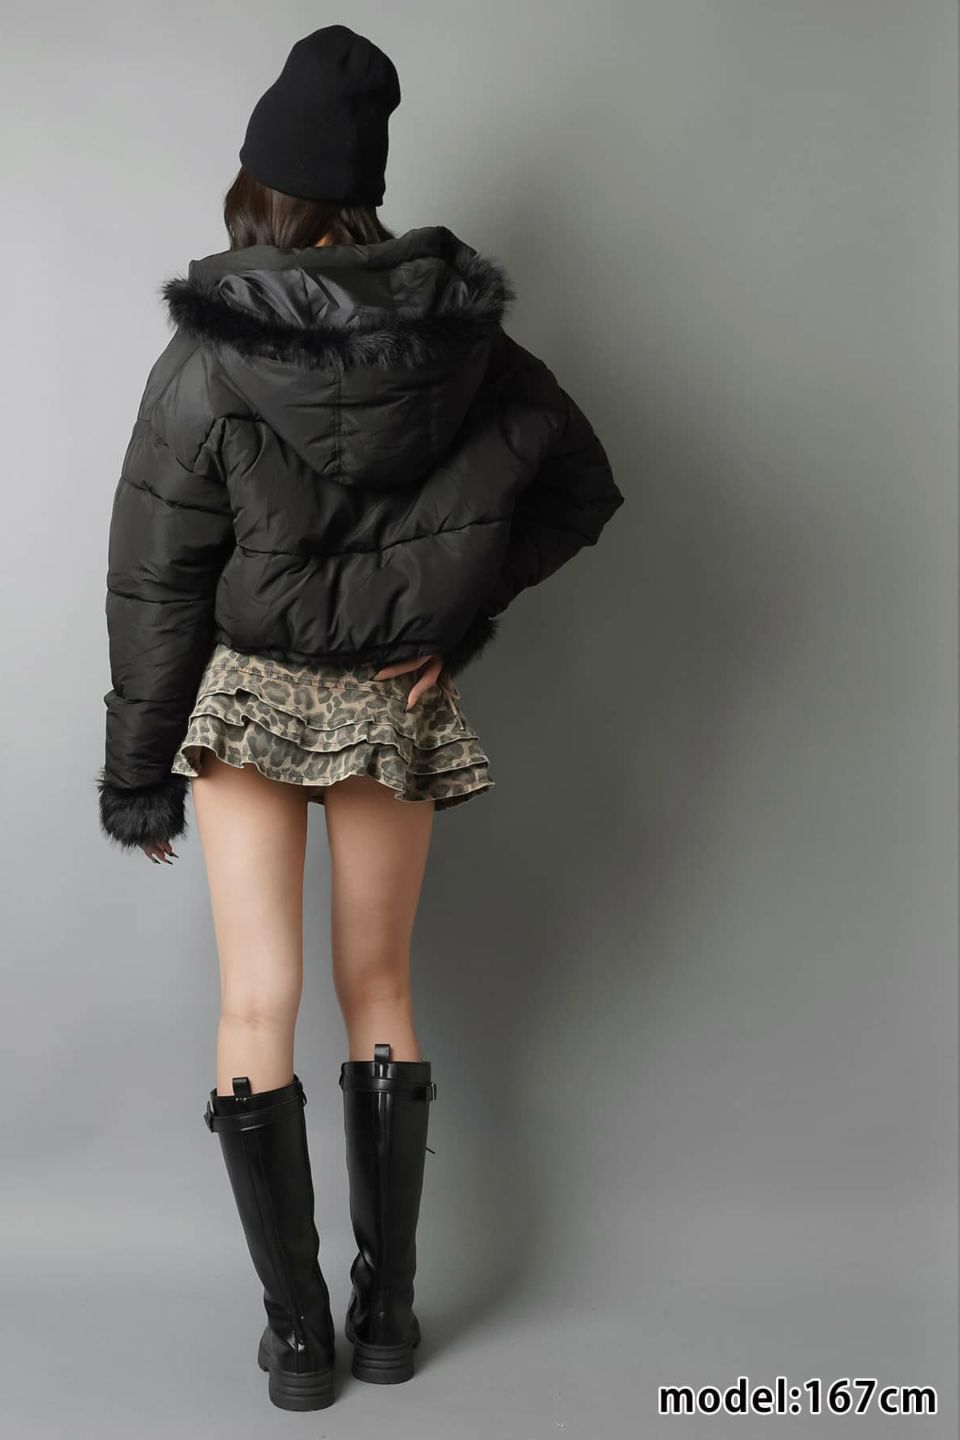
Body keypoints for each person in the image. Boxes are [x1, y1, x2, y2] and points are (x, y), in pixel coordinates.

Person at [96, 23, 625, 1413]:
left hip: (252, 700)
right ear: (365, 190)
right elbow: (581, 487)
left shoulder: (206, 358)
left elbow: (157, 576)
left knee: (254, 998)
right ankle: (387, 1316)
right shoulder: (471, 346)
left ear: (259, 187)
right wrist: (449, 621)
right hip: (390, 705)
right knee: (379, 988)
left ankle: (297, 1339)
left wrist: (138, 771)